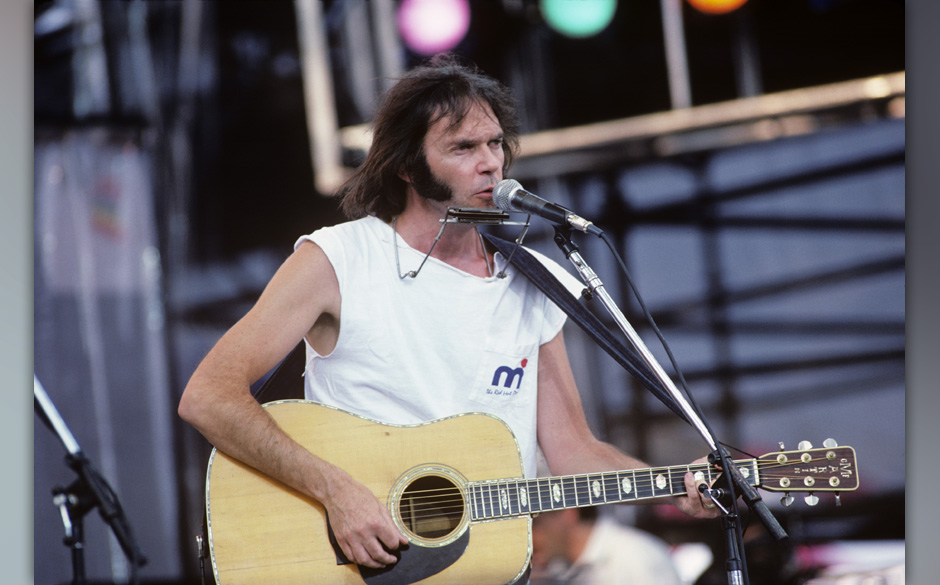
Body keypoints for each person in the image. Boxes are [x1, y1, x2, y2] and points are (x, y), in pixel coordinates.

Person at [178, 53, 719, 572]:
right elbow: (208, 397)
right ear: (409, 168)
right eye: (463, 148)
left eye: (495, 143)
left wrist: (678, 484)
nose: (490, 163)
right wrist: (335, 491)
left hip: (490, 569)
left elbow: (573, 453)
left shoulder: (534, 282)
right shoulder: (339, 260)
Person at [530, 507, 683, 585]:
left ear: (568, 513)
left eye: (535, 525)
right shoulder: (559, 568)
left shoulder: (633, 557)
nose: (528, 539)